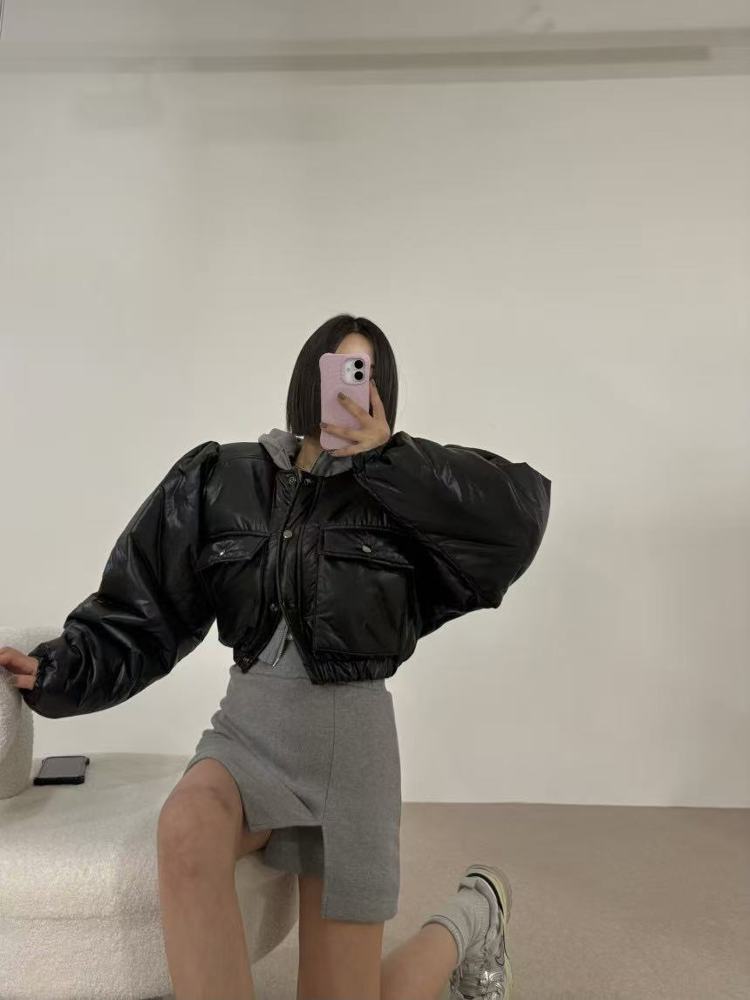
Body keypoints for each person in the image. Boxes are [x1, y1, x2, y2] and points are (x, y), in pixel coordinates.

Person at [2, 314, 550, 1000]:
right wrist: (65, 668)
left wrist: (391, 459)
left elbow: (517, 520)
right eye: (338, 370)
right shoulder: (222, 476)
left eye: (364, 376)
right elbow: (150, 602)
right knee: (187, 826)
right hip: (248, 740)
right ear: (307, 377)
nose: (349, 390)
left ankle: (473, 915)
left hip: (354, 759)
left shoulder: (404, 495)